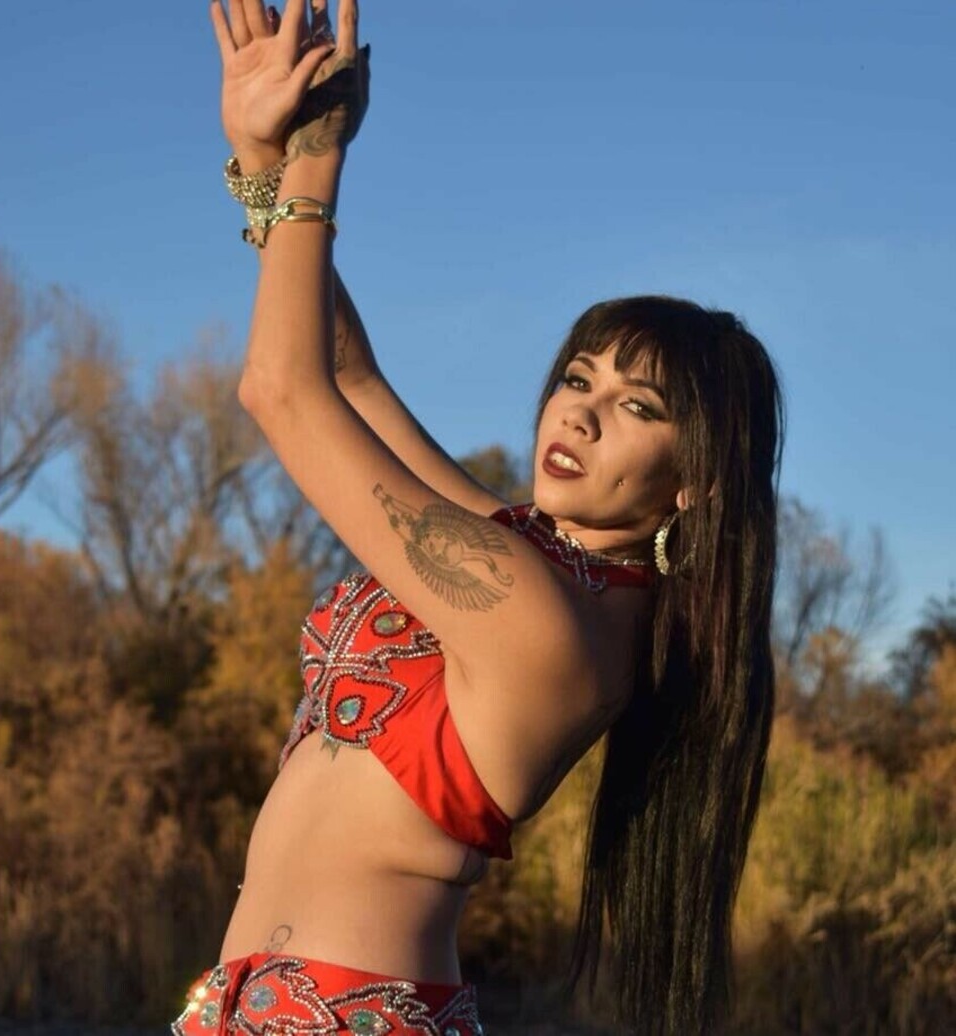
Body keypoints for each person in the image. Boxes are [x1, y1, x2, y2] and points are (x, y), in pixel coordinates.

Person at [175, 2, 784, 1033]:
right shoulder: (526, 560)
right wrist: (263, 162)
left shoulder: (544, 621)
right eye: (579, 378)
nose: (579, 412)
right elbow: (348, 376)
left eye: (637, 406)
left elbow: (282, 390)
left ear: (697, 484)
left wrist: (318, 159)